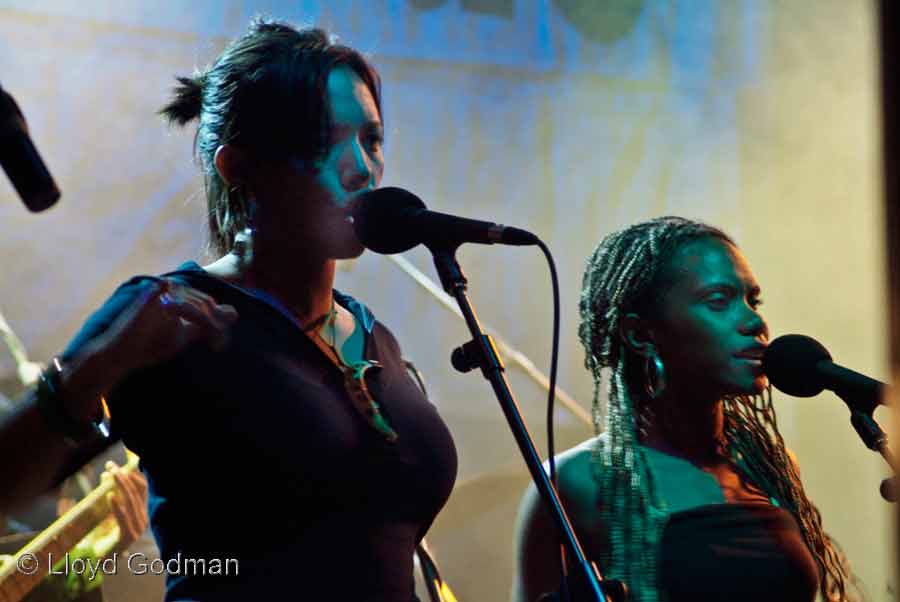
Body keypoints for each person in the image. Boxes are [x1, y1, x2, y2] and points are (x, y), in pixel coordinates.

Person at [55, 18, 457, 601]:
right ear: (238, 166)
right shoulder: (174, 316)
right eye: (323, 140)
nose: (362, 168)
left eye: (371, 140)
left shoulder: (374, 338)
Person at [513, 217, 854, 602]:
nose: (756, 321)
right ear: (640, 334)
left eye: (752, 301)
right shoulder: (573, 483)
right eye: (719, 301)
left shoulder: (769, 464)